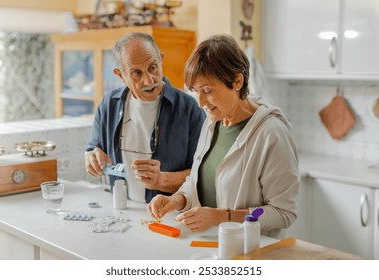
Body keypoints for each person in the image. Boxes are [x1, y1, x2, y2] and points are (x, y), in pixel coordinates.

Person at [147, 34, 299, 238]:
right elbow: (198, 182)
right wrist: (178, 199)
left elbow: (282, 213)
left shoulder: (271, 134)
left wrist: (223, 217)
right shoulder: (212, 122)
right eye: (195, 91)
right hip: (208, 245)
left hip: (249, 253)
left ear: (237, 81)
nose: (200, 102)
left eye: (207, 91)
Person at [85, 32, 206, 203]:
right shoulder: (108, 105)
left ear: (161, 59)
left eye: (152, 67)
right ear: (120, 75)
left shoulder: (189, 109)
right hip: (122, 211)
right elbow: (92, 150)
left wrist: (161, 181)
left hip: (170, 215)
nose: (149, 81)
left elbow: (202, 175)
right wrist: (91, 158)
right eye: (136, 73)